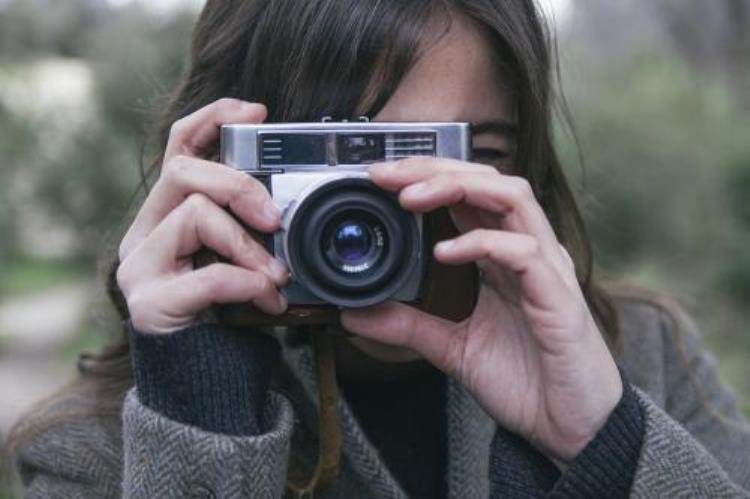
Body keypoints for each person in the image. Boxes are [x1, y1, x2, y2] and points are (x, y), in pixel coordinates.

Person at [7, 0, 750, 497]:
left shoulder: (647, 360)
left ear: (528, 167)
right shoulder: (97, 454)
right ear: (222, 163)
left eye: (467, 158)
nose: (390, 214)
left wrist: (604, 441)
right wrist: (201, 412)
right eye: (344, 167)